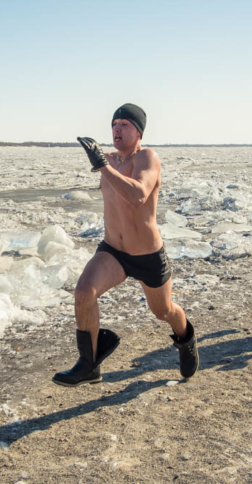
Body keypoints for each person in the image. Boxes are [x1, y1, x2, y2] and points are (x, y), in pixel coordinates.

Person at [52, 103, 199, 387]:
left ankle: (186, 339)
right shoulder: (108, 161)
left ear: (139, 131)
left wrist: (102, 166)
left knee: (163, 311)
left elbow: (139, 194)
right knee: (84, 292)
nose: (117, 129)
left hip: (147, 255)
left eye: (124, 124)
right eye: (114, 124)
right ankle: (89, 364)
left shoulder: (147, 158)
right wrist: (104, 164)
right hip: (113, 252)